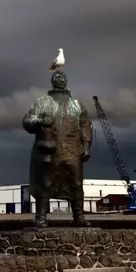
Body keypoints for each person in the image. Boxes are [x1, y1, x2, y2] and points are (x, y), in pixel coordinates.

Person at [22, 70, 93, 227]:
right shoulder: (42, 102)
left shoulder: (77, 105)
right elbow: (27, 120)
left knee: (76, 183)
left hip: (72, 152)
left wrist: (86, 145)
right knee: (45, 183)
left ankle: (78, 216)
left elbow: (85, 125)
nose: (59, 78)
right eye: (57, 76)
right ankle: (41, 217)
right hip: (49, 152)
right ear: (52, 81)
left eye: (62, 76)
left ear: (66, 81)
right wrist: (39, 121)